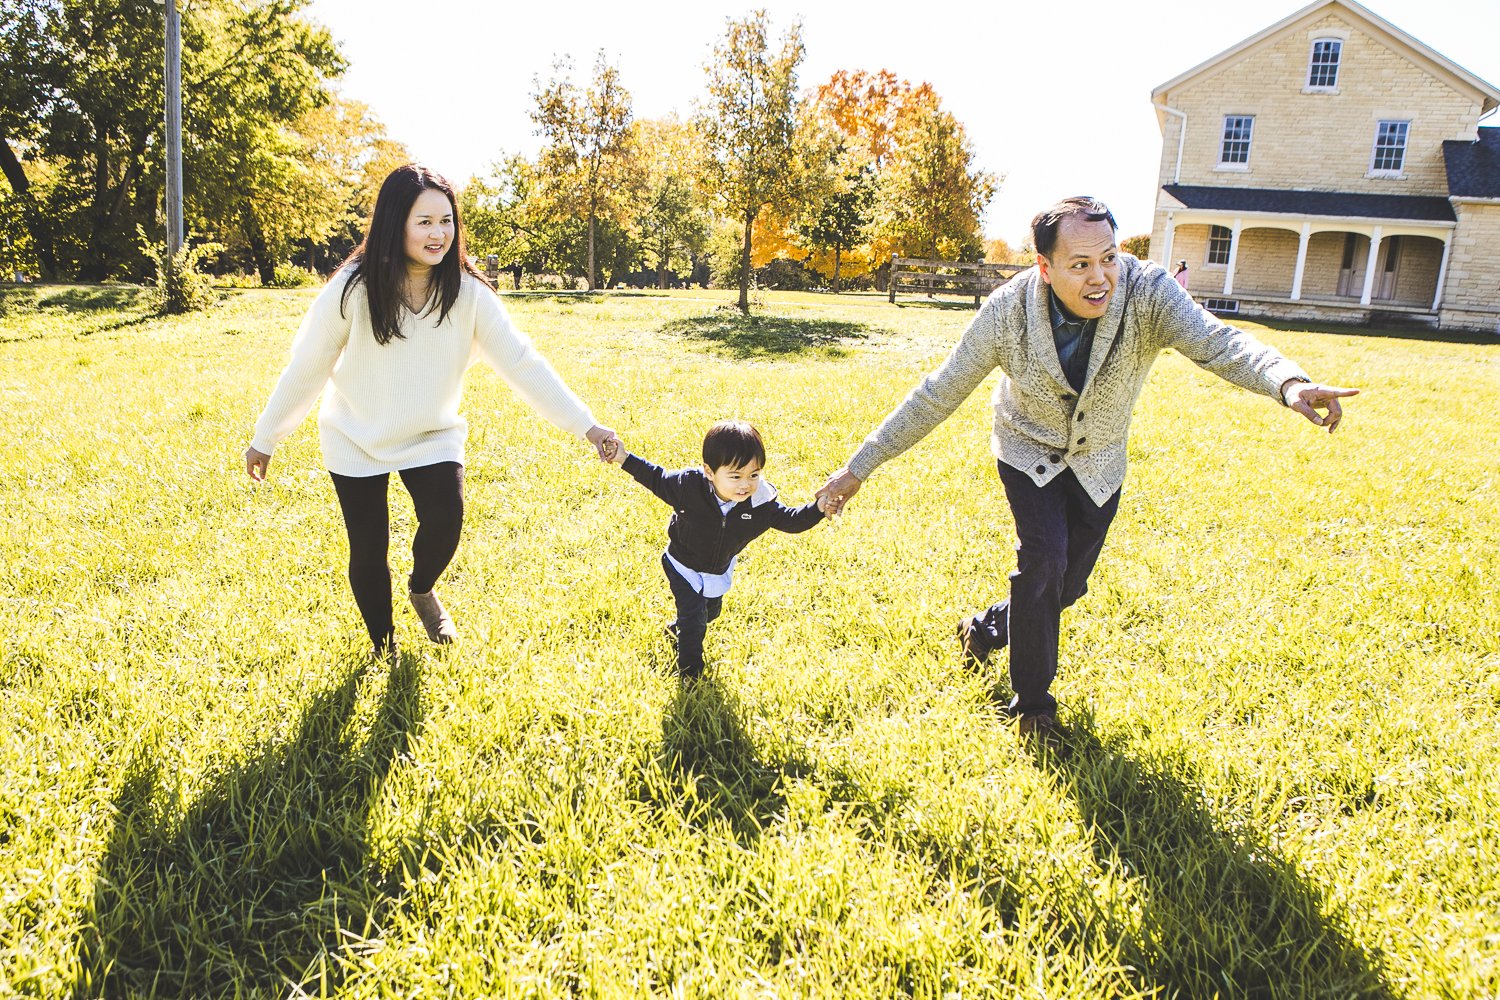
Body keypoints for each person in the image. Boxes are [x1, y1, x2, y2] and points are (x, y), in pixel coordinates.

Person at [816, 196, 1357, 739]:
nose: (1100, 277)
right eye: (1080, 265)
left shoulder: (1147, 293)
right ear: (1044, 268)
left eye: (1110, 257)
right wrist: (857, 469)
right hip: (1027, 452)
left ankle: (983, 629)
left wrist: (1288, 383)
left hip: (1100, 460)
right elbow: (936, 394)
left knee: (1065, 588)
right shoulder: (1006, 314)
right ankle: (1032, 708)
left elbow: (1219, 342)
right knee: (1043, 564)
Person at [244, 164, 621, 656]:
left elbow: (524, 364)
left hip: (431, 433)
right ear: (394, 222)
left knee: (446, 519)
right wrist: (266, 437)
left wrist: (587, 426)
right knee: (368, 548)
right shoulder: (352, 289)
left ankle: (422, 590)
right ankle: (384, 647)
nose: (438, 233)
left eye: (446, 221)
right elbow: (308, 367)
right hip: (356, 434)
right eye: (424, 221)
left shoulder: (468, 294)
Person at [610, 420, 825, 678]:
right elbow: (654, 477)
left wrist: (819, 509)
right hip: (682, 565)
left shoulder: (760, 504)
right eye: (735, 476)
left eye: (753, 475)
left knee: (711, 612)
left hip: (718, 569)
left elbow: (792, 521)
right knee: (694, 620)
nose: (745, 484)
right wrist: (623, 457)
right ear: (709, 472)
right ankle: (691, 675)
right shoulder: (687, 487)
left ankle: (674, 630)